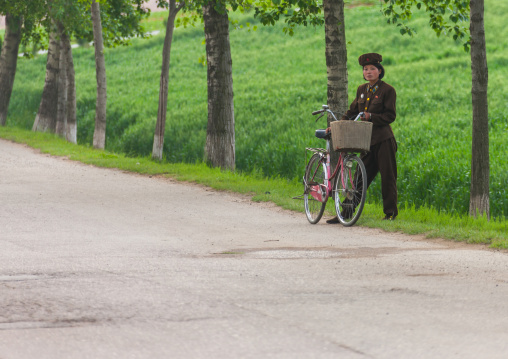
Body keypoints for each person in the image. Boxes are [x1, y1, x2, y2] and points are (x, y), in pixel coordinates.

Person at [327, 52, 398, 223]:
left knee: (388, 177)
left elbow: (390, 116)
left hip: (383, 140)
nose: (368, 72)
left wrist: (371, 116)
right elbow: (352, 112)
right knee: (359, 178)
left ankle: (390, 214)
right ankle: (346, 213)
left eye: (372, 69)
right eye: (366, 69)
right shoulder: (361, 90)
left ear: (380, 71)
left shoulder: (388, 90)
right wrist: (338, 125)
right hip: (365, 142)